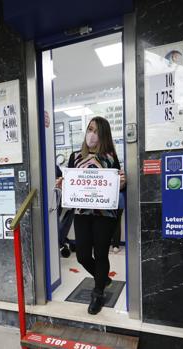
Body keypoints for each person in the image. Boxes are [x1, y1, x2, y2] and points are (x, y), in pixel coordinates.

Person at [56, 116, 126, 315]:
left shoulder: (110, 157)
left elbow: (117, 185)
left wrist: (122, 183)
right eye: (89, 129)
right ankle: (102, 278)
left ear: (103, 134)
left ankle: (98, 293)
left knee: (101, 253)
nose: (91, 135)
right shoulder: (75, 156)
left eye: (95, 131)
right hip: (82, 213)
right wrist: (63, 184)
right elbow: (70, 183)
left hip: (105, 214)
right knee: (84, 255)